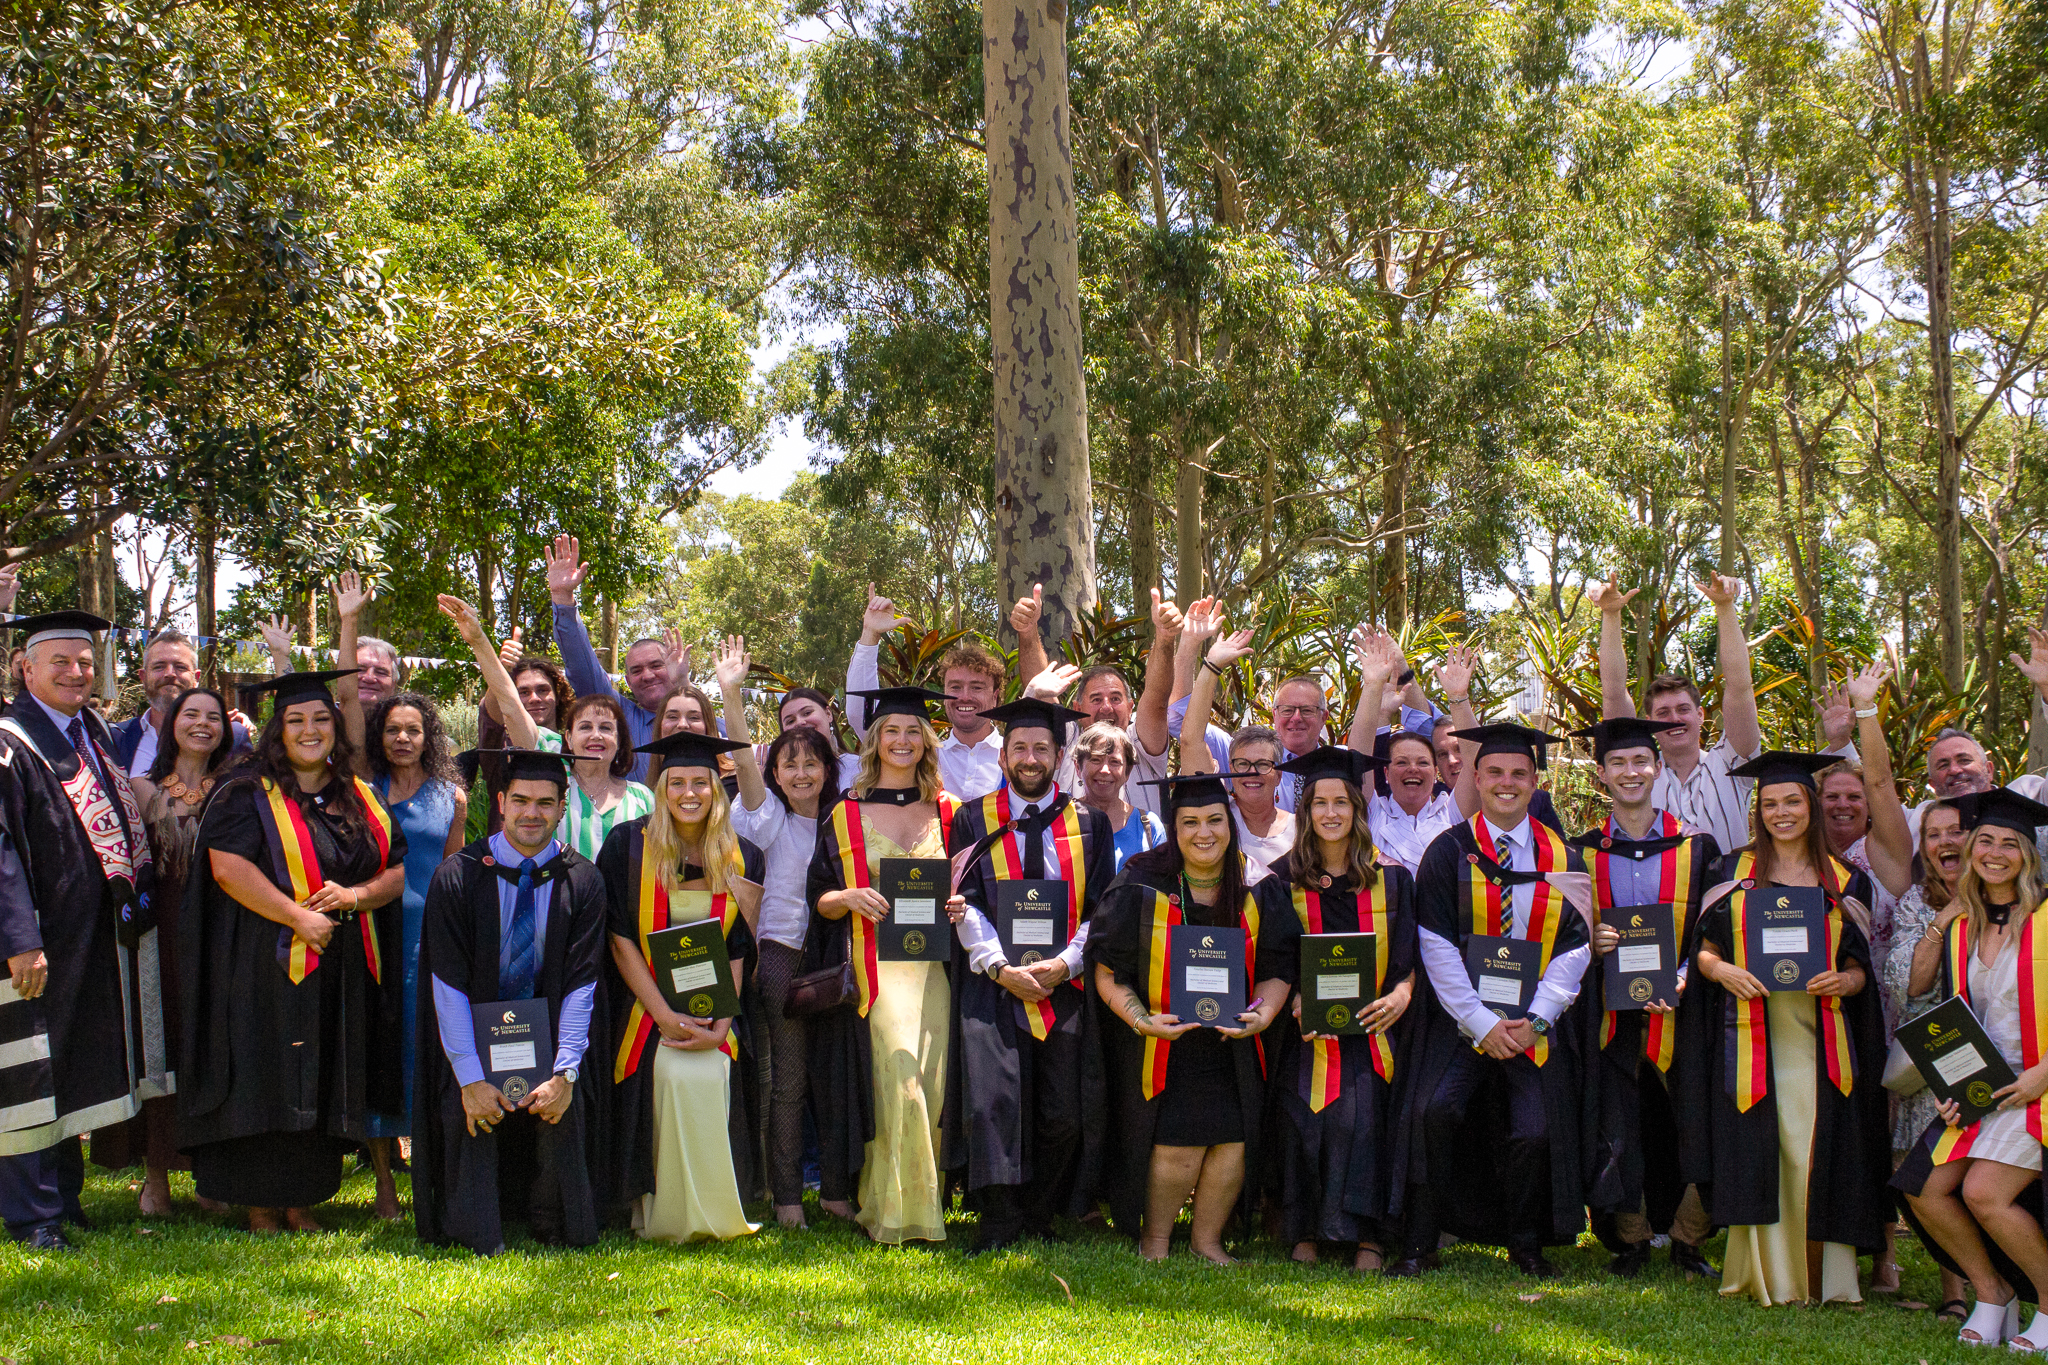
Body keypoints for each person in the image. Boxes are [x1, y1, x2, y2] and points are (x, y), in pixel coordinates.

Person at [176, 670, 407, 1234]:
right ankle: (259, 1205)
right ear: (277, 730)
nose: (310, 730)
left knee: (318, 1073)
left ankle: (302, 1199)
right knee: (265, 1075)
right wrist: (298, 916)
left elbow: (396, 872)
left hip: (334, 967)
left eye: (321, 720)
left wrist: (355, 896)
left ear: (336, 728)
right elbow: (227, 868)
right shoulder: (244, 789)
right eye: (296, 720)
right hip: (259, 962)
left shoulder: (357, 796)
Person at [1676, 749, 1888, 1306]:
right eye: (1769, 804)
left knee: (1810, 1143)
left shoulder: (1846, 882)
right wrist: (1721, 971)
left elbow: (1860, 968)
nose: (1781, 813)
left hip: (1821, 1038)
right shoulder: (1730, 872)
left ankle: (1824, 1276)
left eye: (1792, 801)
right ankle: (1764, 1275)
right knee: (1766, 1146)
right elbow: (1703, 951)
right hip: (1750, 1032)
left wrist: (1849, 982)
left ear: (1812, 807)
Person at [1395, 722, 1592, 1279]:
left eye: (1519, 774)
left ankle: (1525, 1244)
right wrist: (1481, 1023)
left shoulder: (1562, 857)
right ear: (1475, 778)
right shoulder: (1448, 852)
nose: (1507, 783)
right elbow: (1434, 944)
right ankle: (1420, 1241)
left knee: (1534, 1129)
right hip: (1460, 1023)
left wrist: (1535, 1020)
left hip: (1532, 1026)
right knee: (1434, 1112)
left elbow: (1574, 947)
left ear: (1535, 782)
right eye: (1496, 772)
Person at [1090, 773, 1298, 1262]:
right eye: (1189, 823)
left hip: (1233, 1043)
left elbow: (1278, 964)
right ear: (1173, 827)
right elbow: (1107, 970)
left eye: (1214, 820)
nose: (1203, 833)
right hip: (1162, 1042)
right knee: (1177, 1143)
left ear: (1230, 823)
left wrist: (1263, 1015)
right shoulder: (1140, 884)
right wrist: (1142, 1020)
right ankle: (1156, 1240)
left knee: (1233, 1140)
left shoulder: (1259, 886)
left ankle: (1208, 1242)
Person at [413, 748, 609, 1255]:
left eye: (545, 803)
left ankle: (551, 1220)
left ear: (562, 808)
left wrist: (565, 1072)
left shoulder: (582, 880)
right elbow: (447, 984)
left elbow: (583, 984)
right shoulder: (457, 876)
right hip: (474, 1040)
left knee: (564, 1106)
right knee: (469, 1106)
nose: (531, 813)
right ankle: (478, 1223)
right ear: (500, 802)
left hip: (548, 1037)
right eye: (520, 800)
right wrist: (470, 1076)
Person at [0, 611, 155, 1249]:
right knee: (29, 1072)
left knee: (68, 1066)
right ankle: (32, 1216)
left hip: (85, 936)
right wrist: (18, 939)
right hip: (34, 938)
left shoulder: (90, 731)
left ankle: (62, 1200)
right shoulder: (10, 739)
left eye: (86, 661)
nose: (76, 672)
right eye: (60, 661)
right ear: (24, 668)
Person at [946, 697, 1113, 1251]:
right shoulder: (973, 817)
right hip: (993, 984)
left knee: (1062, 1110)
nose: (1030, 757)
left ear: (1060, 755)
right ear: (1003, 757)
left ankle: (1043, 1211)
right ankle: (999, 1218)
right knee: (993, 1104)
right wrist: (998, 967)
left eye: (1041, 747)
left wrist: (1065, 964)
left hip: (1064, 985)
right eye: (1019, 747)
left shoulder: (1089, 822)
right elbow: (963, 901)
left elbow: (1101, 911)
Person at [804, 685, 962, 1243]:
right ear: (875, 740)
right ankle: (896, 1213)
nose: (902, 740)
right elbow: (816, 898)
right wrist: (847, 898)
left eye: (913, 731)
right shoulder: (844, 813)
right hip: (876, 966)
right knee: (901, 1076)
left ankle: (922, 1198)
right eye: (891, 730)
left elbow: (975, 889)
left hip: (934, 970)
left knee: (935, 1085)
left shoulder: (950, 812)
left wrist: (961, 904)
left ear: (926, 741)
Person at [1892, 787, 2048, 1348]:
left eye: (2011, 843)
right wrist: (1950, 1085)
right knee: (1924, 1188)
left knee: (1984, 1192)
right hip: (1986, 1089)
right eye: (1986, 841)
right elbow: (1956, 1017)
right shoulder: (1964, 928)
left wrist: (2042, 1076)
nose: (1995, 852)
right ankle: (1992, 1293)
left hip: (2040, 1087)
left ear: (2029, 855)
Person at [1568, 716, 1721, 1279]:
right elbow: (1560, 935)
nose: (1630, 772)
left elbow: (1712, 929)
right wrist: (1594, 941)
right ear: (1602, 774)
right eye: (1618, 763)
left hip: (1680, 1006)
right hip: (1608, 1011)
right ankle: (1628, 1238)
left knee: (1694, 1118)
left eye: (1639, 761)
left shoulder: (1698, 848)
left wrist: (1685, 971)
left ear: (1656, 768)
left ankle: (1688, 1237)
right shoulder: (1580, 853)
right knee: (1616, 1122)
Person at [597, 729, 761, 1242]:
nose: (689, 794)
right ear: (662, 788)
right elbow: (620, 939)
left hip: (717, 1009)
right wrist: (664, 1016)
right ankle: (658, 1210)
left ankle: (718, 1208)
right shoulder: (627, 846)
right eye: (677, 783)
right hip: (642, 1007)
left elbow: (739, 947)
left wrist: (722, 1024)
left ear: (717, 789)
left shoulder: (744, 856)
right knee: (666, 1069)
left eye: (701, 782)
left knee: (709, 1070)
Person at [1259, 745, 1417, 1273]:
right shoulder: (1281, 882)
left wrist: (1402, 993)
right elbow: (1274, 957)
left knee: (1367, 1119)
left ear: (1357, 810)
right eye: (1319, 803)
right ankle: (1304, 1228)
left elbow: (1409, 961)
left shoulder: (1391, 880)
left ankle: (1369, 1236)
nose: (1330, 813)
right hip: (1306, 1031)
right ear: (1305, 814)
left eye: (1341, 803)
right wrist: (1297, 996)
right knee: (1305, 1117)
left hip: (1374, 1029)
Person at [718, 640, 839, 1228]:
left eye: (810, 763)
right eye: (788, 763)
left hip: (842, 959)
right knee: (786, 1084)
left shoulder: (849, 823)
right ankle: (787, 1198)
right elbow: (743, 762)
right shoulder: (768, 822)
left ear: (828, 769)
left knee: (839, 1079)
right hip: (782, 961)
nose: (800, 773)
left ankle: (840, 1190)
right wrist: (731, 693)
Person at [102, 687, 236, 1215]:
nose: (202, 724)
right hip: (161, 933)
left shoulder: (237, 787)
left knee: (213, 1049)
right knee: (161, 1049)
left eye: (213, 717)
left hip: (223, 932)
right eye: (191, 715)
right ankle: (156, 1177)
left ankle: (211, 1177)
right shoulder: (139, 788)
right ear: (171, 724)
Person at [361, 691, 469, 1215]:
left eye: (413, 730)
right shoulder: (361, 791)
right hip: (373, 935)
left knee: (427, 1053)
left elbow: (453, 875)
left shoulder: (453, 796)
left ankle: (431, 1176)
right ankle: (384, 1185)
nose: (402, 739)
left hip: (429, 941)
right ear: (378, 737)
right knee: (380, 1051)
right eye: (392, 730)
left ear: (429, 738)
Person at [1593, 573, 1767, 853]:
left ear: (1700, 715)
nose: (1674, 718)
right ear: (1648, 722)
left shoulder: (1732, 764)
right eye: (1663, 712)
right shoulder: (1639, 773)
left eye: (1683, 709)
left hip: (1728, 894)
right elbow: (1613, 692)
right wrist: (1611, 615)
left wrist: (1725, 608)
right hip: (1659, 896)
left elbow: (1740, 687)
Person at [1011, 584, 1179, 815]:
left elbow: (1158, 699)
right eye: (1096, 699)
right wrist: (1027, 631)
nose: (1107, 707)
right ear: (1077, 708)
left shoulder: (1141, 744)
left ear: (1131, 708)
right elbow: (1041, 693)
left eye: (1116, 698)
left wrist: (1165, 637)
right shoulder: (1067, 742)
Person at [544, 534, 685, 782]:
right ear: (627, 682)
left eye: (656, 665)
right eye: (637, 670)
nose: (648, 675)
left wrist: (684, 685)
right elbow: (582, 667)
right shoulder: (619, 716)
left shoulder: (703, 721)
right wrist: (563, 598)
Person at [847, 587, 1005, 800]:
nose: (964, 696)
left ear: (995, 696)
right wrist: (870, 634)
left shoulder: (1014, 754)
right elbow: (860, 715)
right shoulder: (923, 755)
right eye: (955, 687)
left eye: (977, 687)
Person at [1350, 631, 1479, 873]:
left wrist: (1459, 698)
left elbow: (1475, 761)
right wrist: (1372, 687)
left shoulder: (1452, 812)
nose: (1412, 769)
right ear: (1386, 773)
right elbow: (1357, 757)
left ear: (1435, 771)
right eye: (1401, 762)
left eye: (1423, 762)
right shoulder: (1373, 811)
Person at [110, 630, 248, 775]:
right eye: (159, 666)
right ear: (143, 677)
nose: (170, 673)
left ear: (196, 678)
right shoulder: (116, 737)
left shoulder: (233, 737)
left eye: (180, 667)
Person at [475, 637, 572, 835]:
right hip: (507, 861)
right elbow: (491, 713)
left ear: (558, 695)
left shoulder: (573, 747)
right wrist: (499, 669)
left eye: (543, 690)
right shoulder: (500, 745)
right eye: (524, 692)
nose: (535, 698)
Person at [1071, 722, 1164, 869]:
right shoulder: (1061, 821)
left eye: (1115, 762)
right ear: (1078, 767)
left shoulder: (1149, 827)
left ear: (1128, 771)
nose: (1105, 770)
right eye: (1096, 760)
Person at [774, 686, 863, 788]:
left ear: (828, 714)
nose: (799, 722)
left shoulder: (859, 768)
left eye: (807, 713)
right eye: (790, 721)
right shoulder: (781, 779)